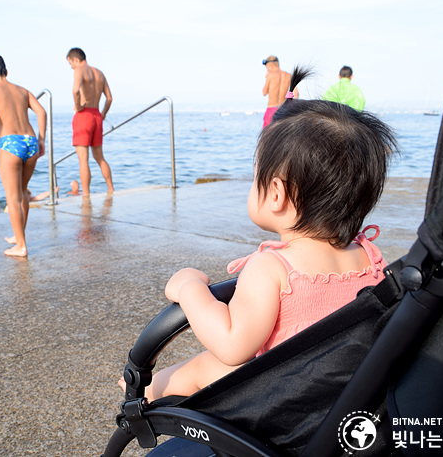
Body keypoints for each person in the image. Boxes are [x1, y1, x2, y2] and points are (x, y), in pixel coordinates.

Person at [122, 67, 398, 402]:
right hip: (345, 393)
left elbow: (231, 343)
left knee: (205, 366)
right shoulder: (371, 257)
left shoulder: (274, 268)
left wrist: (189, 288)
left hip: (287, 401)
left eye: (256, 176)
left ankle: (143, 394)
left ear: (277, 194)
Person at [0, 50, 47, 257]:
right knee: (22, 192)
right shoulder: (23, 91)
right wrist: (41, 139)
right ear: (5, 71)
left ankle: (21, 246)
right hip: (30, 142)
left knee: (12, 198)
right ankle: (19, 237)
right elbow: (41, 112)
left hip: (11, 144)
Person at [66, 47, 114, 195]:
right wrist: (103, 114)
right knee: (99, 157)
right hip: (96, 115)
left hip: (84, 115)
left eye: (70, 63)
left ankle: (86, 195)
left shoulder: (79, 70)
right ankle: (111, 189)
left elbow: (75, 90)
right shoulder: (99, 73)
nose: (71, 67)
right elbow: (109, 98)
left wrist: (78, 106)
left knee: (83, 160)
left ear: (75, 59)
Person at [261, 55, 292, 128]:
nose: (267, 70)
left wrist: (267, 77)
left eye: (267, 68)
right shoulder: (288, 75)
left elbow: (264, 92)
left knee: (267, 133)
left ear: (271, 66)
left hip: (272, 109)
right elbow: (296, 93)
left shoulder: (270, 75)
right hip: (284, 110)